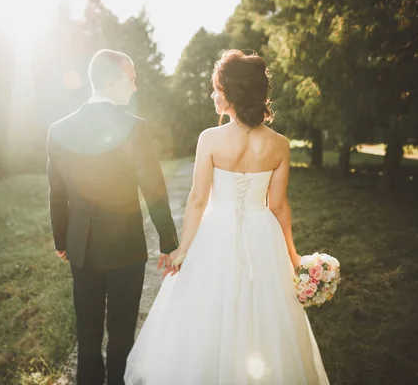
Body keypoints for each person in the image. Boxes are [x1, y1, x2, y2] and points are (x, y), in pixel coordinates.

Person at [124, 49, 330, 384]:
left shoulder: (210, 139)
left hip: (215, 234)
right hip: (263, 234)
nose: (212, 95)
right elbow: (278, 205)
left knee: (209, 313)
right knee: (264, 313)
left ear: (231, 95)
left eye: (216, 89)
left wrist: (184, 249)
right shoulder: (279, 144)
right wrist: (293, 258)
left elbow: (197, 199)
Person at [46, 49, 179, 385]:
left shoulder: (58, 129)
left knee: (87, 335)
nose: (134, 88)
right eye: (131, 79)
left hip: (82, 247)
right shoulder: (133, 127)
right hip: (126, 249)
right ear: (111, 80)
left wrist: (62, 240)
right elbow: (153, 188)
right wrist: (169, 241)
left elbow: (56, 193)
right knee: (121, 336)